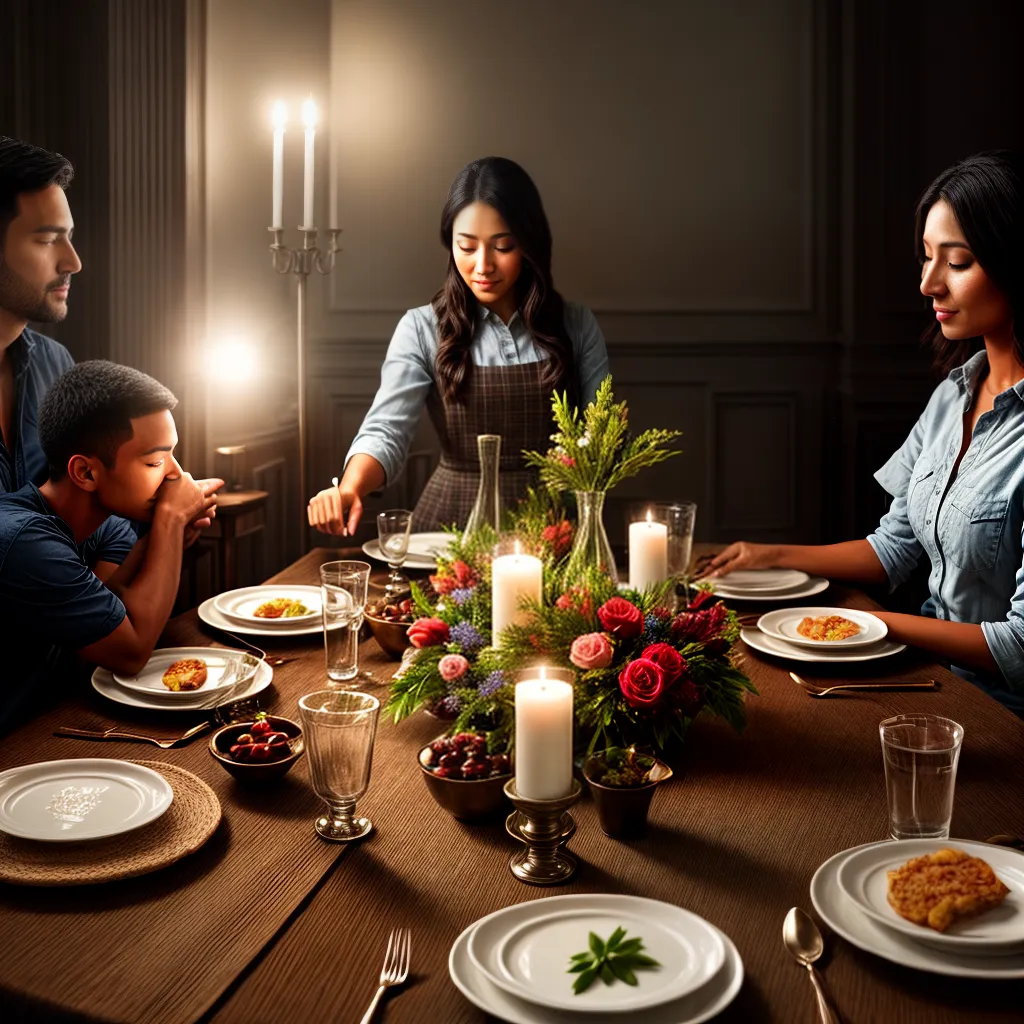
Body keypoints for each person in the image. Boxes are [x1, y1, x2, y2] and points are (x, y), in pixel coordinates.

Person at [704, 150, 1024, 714]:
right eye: (926, 258)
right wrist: (769, 554)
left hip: (1002, 712)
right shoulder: (952, 396)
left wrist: (867, 623)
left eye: (958, 262)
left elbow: (1019, 647)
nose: (929, 283)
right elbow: (891, 550)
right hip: (932, 681)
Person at [307, 156, 609, 535]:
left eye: (503, 246)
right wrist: (349, 488)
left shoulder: (576, 324)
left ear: (530, 244)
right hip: (450, 531)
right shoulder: (421, 328)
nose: (483, 265)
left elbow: (602, 434)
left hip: (554, 529)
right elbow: (387, 429)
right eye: (466, 247)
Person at [0, 136, 215, 556]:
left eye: (70, 237)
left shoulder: (53, 364)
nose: (73, 262)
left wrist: (163, 524)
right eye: (47, 240)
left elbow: (82, 515)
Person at [0, 361, 223, 731]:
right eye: (154, 460)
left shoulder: (110, 527)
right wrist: (170, 520)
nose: (176, 475)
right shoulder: (24, 539)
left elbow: (110, 618)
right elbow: (131, 652)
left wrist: (163, 540)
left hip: (60, 721)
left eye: (172, 455)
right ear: (86, 473)